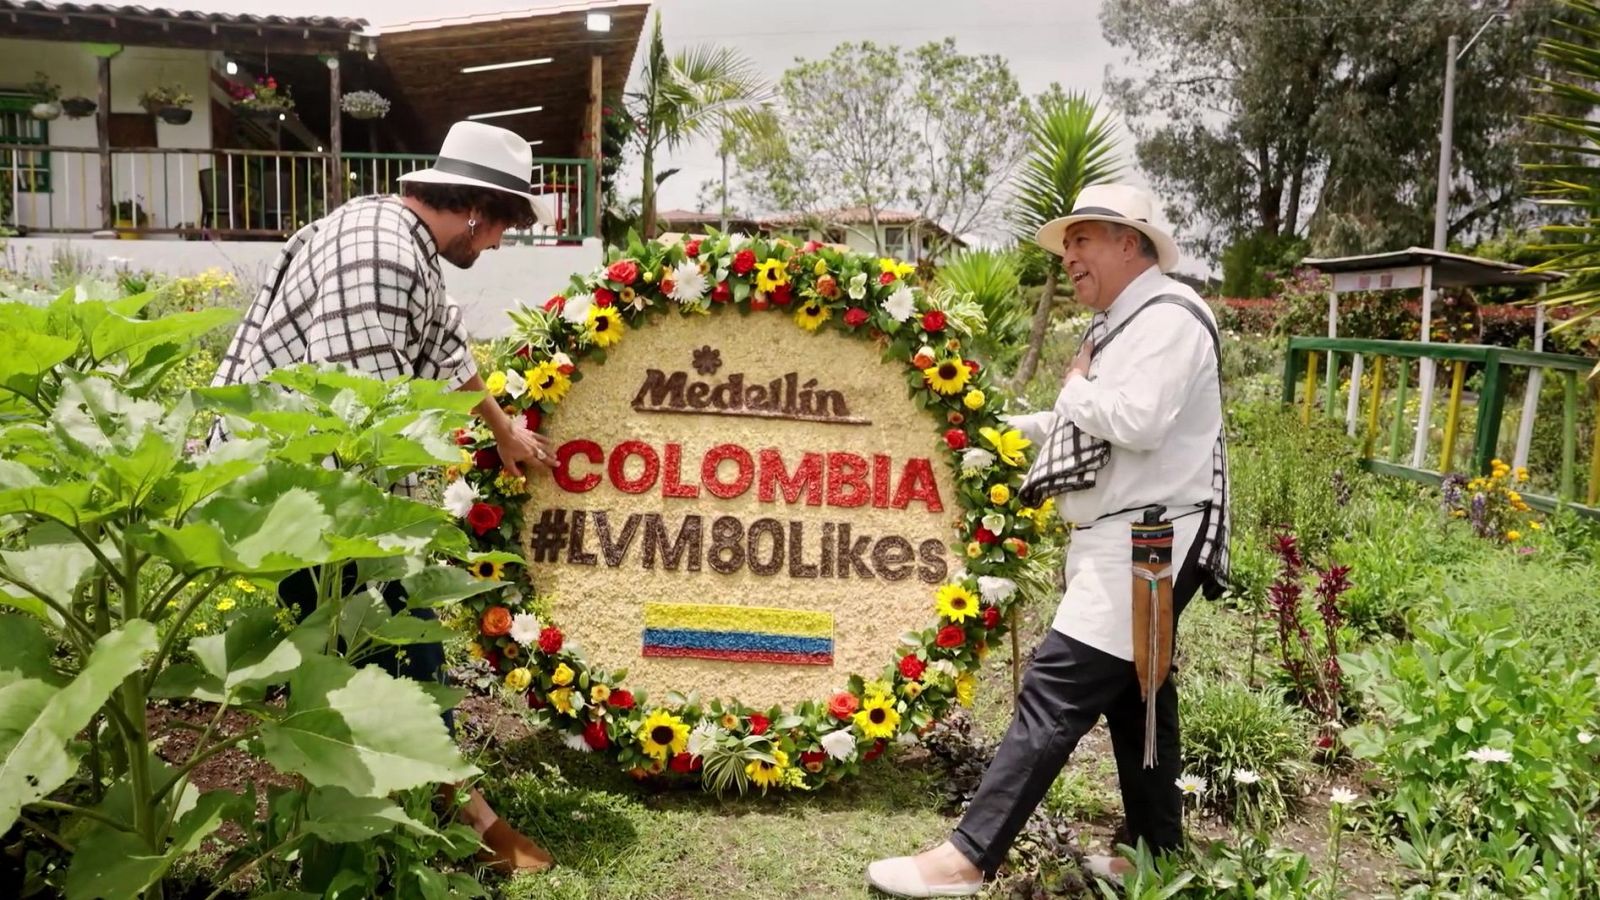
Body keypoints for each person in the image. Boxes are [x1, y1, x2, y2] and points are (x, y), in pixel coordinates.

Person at [211, 120, 558, 874]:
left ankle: (408, 808)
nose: (496, 246)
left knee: (372, 651)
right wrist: (403, 538)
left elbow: (447, 347)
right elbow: (362, 423)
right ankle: (445, 825)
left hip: (309, 485)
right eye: (503, 229)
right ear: (477, 210)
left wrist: (500, 429)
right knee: (394, 643)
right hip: (295, 492)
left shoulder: (399, 240)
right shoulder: (378, 253)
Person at [866, 184, 1230, 896]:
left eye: (1082, 240)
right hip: (1127, 536)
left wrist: (1071, 390)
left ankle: (967, 857)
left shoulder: (1171, 318)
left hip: (1147, 540)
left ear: (1132, 243)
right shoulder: (1129, 323)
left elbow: (1138, 419)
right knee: (1139, 700)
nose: (1069, 257)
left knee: (1054, 687)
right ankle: (1158, 854)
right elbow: (1091, 421)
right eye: (1067, 245)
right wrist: (1005, 428)